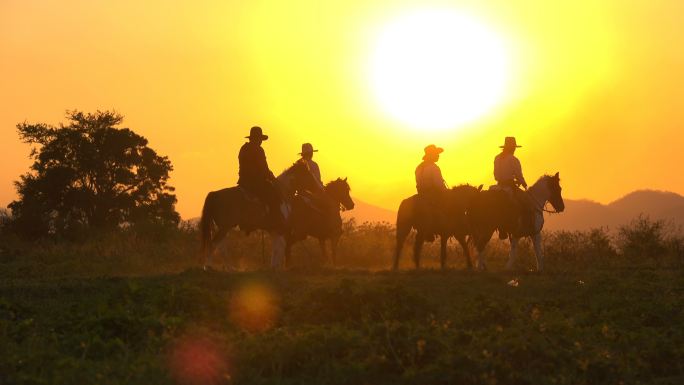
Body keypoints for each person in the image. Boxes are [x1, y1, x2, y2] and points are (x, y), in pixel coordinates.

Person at [237, 126, 284, 229]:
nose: (261, 142)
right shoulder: (258, 149)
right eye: (260, 139)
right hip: (255, 182)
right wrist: (274, 179)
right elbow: (264, 168)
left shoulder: (243, 148)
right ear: (257, 139)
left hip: (243, 182)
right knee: (274, 195)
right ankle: (274, 221)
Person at [493, 137, 531, 237]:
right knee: (526, 201)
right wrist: (523, 183)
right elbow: (519, 175)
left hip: (497, 186)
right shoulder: (513, 159)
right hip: (509, 187)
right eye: (514, 148)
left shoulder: (497, 158)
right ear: (512, 148)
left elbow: (495, 175)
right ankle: (523, 226)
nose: (514, 149)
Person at [415, 144, 448, 240]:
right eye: (436, 154)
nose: (438, 156)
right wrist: (446, 191)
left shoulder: (418, 167)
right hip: (433, 194)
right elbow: (439, 184)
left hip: (421, 193)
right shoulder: (434, 168)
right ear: (431, 155)